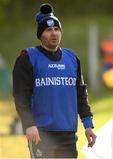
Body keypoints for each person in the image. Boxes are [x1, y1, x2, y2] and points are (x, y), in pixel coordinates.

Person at [13, 3, 96, 158]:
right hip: (41, 133)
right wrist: (29, 124)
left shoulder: (72, 58)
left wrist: (88, 125)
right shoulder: (28, 58)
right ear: (40, 34)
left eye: (56, 29)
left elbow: (80, 93)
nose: (54, 33)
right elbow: (20, 95)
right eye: (48, 30)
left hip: (68, 134)